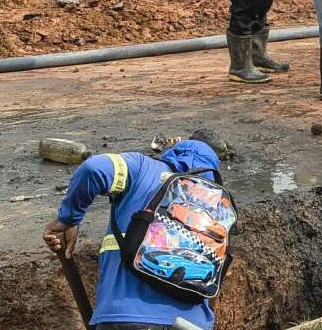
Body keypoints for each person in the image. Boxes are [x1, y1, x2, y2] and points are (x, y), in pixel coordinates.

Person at [43, 140, 222, 330]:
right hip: (193, 324)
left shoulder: (143, 167)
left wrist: (69, 219)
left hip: (125, 316)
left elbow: (93, 168)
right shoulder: (217, 203)